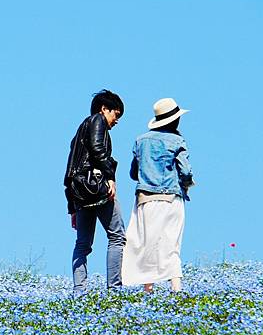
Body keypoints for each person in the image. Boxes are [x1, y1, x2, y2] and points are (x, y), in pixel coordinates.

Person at [121, 98, 194, 293]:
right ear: (175, 121)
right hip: (171, 198)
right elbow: (185, 172)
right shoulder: (178, 141)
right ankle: (176, 289)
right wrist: (186, 185)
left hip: (145, 199)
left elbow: (132, 173)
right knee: (171, 243)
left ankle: (148, 290)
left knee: (146, 243)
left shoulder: (141, 140)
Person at [63, 90, 126, 297]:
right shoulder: (97, 121)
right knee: (117, 236)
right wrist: (110, 178)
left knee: (83, 244)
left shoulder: (79, 131)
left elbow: (70, 170)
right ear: (104, 109)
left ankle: (79, 292)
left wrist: (72, 207)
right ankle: (114, 291)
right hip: (97, 188)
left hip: (80, 193)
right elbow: (99, 151)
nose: (116, 121)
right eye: (115, 115)